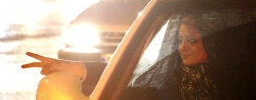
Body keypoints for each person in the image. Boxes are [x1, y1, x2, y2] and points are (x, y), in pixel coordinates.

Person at [22, 14, 220, 99]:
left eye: (192, 40)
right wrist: (67, 66)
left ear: (212, 43)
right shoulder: (166, 75)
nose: (182, 47)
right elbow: (122, 74)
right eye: (179, 40)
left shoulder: (233, 77)